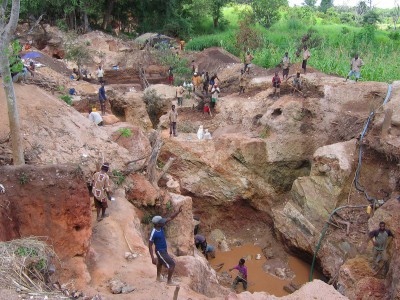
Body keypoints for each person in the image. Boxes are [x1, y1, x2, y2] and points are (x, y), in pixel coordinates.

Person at [148, 207, 183, 286]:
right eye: (161, 222)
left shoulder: (161, 226)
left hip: (163, 249)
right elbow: (150, 245)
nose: (163, 222)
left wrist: (178, 211)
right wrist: (152, 257)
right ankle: (169, 282)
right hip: (160, 251)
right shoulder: (154, 232)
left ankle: (158, 278)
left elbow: (170, 218)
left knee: (160, 263)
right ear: (157, 224)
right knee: (172, 264)